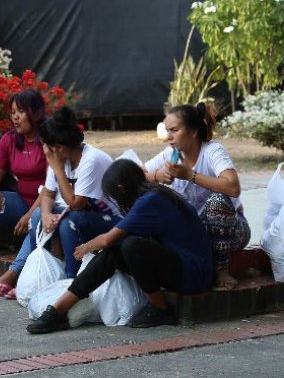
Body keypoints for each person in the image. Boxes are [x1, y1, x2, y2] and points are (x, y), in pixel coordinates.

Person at [26, 159, 213, 333]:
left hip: (193, 274)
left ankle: (160, 308)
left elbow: (108, 239)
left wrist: (86, 247)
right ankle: (58, 311)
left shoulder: (151, 201)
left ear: (121, 188)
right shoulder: (152, 195)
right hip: (182, 266)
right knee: (116, 252)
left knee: (131, 246)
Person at [144, 103, 250, 291]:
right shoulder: (171, 154)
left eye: (174, 130)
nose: (169, 137)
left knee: (217, 201)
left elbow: (233, 187)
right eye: (167, 131)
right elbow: (138, 173)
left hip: (232, 232)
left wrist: (190, 176)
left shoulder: (212, 151)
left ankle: (221, 271)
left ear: (193, 132)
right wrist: (157, 176)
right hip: (196, 234)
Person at [25, 106, 119, 278]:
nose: (44, 150)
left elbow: (76, 204)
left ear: (58, 147)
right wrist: (46, 215)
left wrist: (58, 169)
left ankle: (71, 280)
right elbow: (48, 194)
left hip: (110, 221)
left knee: (70, 221)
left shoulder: (90, 160)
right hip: (84, 214)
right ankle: (37, 277)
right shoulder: (60, 158)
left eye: (46, 146)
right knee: (38, 215)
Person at [0, 89, 47, 293]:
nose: (15, 117)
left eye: (21, 111)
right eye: (13, 111)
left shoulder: (50, 138)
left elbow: (52, 187)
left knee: (38, 217)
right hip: (22, 202)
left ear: (38, 113)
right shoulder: (9, 140)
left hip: (47, 204)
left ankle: (13, 274)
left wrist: (30, 215)